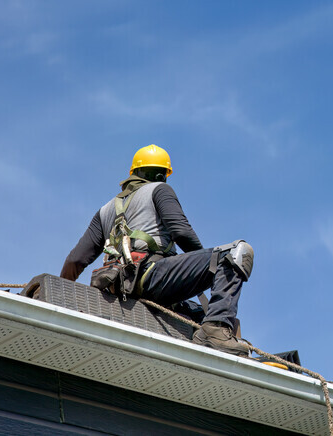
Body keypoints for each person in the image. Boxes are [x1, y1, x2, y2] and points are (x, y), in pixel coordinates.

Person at [60, 144, 254, 357]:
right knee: (237, 252)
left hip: (121, 285)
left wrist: (63, 296)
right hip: (153, 277)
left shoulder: (104, 211)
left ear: (133, 173)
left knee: (200, 314)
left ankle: (215, 335)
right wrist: (208, 268)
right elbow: (182, 232)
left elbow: (75, 261)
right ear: (163, 175)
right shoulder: (160, 189)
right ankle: (216, 332)